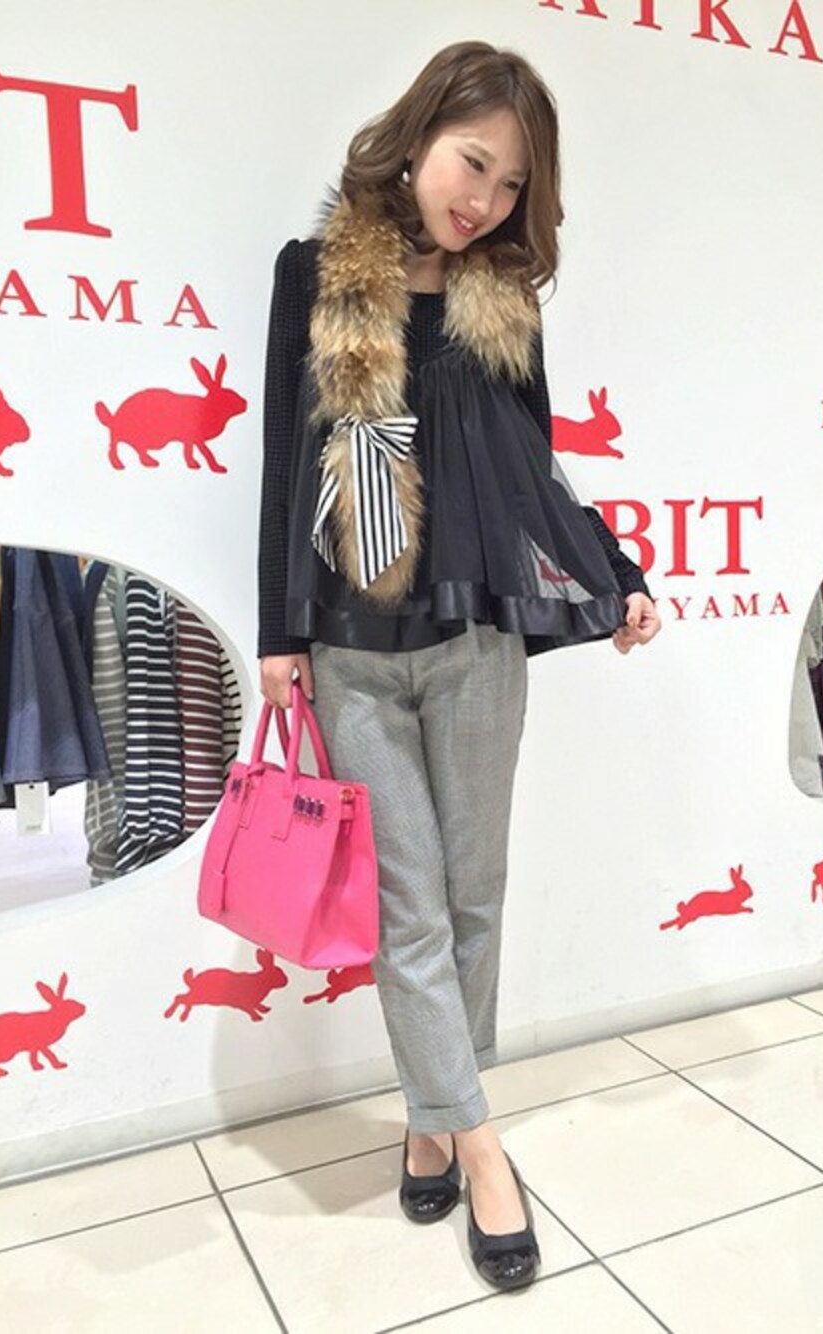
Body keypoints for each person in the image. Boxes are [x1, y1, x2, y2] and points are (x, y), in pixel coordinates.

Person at [257, 39, 662, 1292]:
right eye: (472, 162)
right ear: (420, 133)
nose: (482, 198)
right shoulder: (316, 272)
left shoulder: (503, 300)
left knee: (473, 891)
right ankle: (483, 1147)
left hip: (480, 638)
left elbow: (536, 465)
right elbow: (285, 455)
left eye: (509, 183)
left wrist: (617, 570)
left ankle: (432, 1121)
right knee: (411, 906)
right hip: (354, 645)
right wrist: (278, 632)